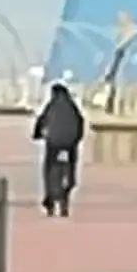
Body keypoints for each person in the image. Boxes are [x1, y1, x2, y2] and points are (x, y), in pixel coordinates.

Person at [34, 80, 86, 217]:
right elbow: (80, 122)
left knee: (49, 167)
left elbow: (41, 121)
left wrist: (37, 134)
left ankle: (49, 196)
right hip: (70, 144)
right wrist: (77, 139)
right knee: (71, 165)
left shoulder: (51, 106)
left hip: (54, 143)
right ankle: (69, 186)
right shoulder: (73, 107)